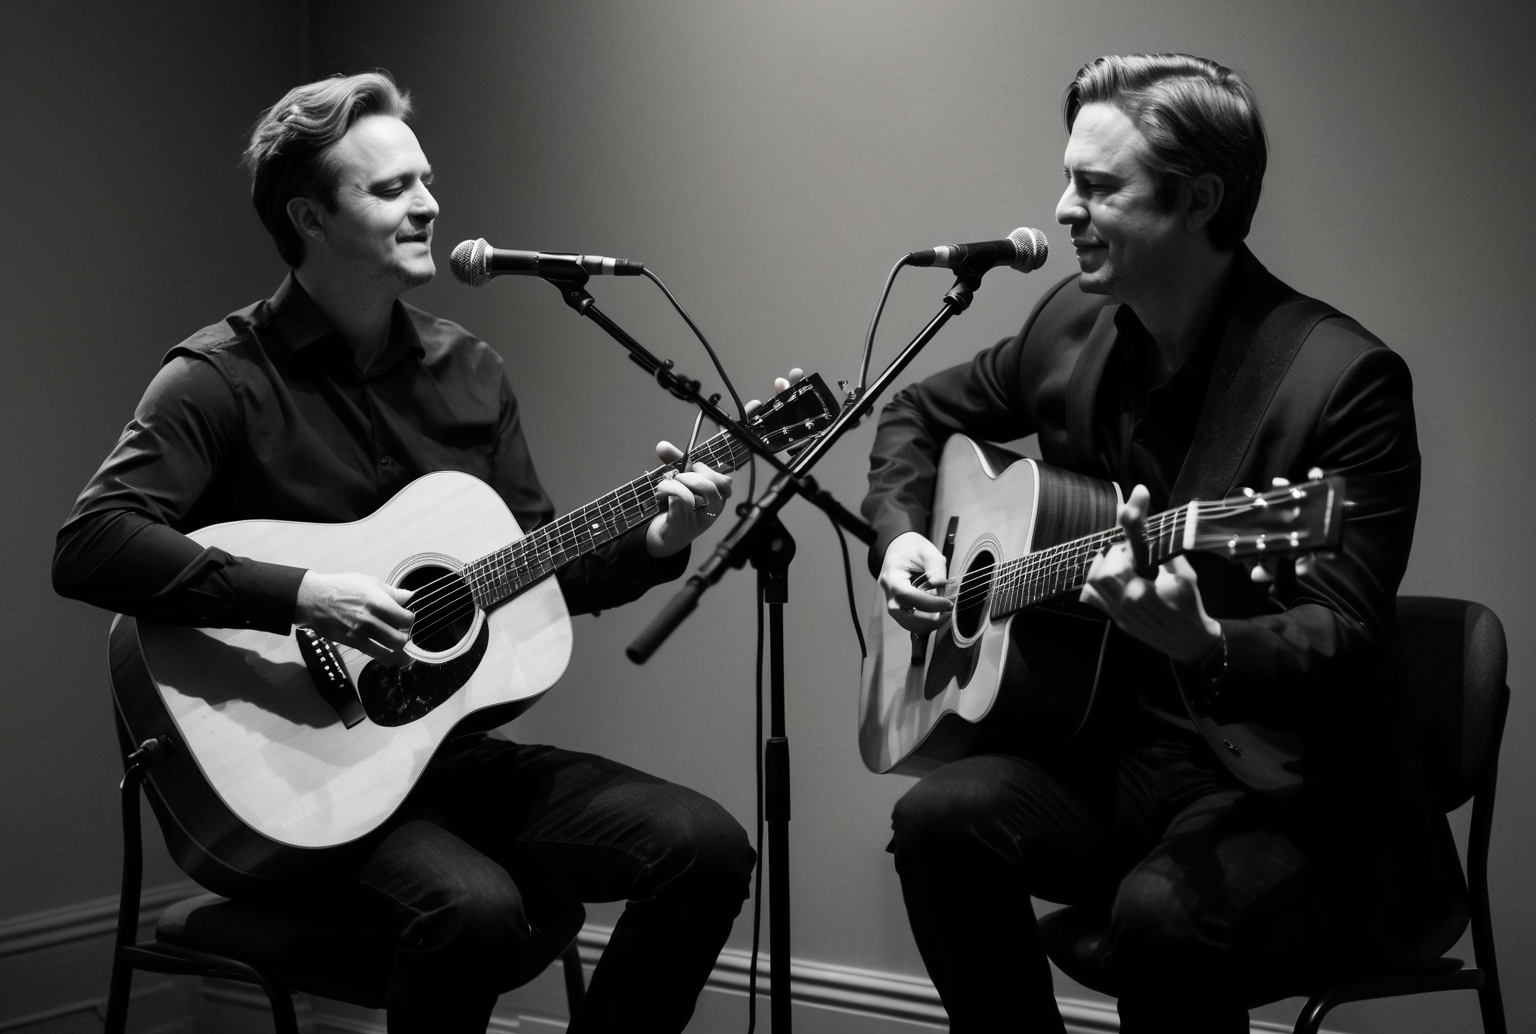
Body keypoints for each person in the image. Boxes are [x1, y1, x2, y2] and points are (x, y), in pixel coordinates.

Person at [55, 71, 767, 1034]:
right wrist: (305, 595)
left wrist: (658, 537)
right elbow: (92, 544)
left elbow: (534, 567)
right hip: (297, 782)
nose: (429, 203)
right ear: (309, 217)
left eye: (425, 180)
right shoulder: (216, 378)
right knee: (474, 911)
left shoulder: (469, 371)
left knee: (706, 845)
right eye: (390, 189)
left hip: (445, 757)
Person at [861, 54, 1468, 1034]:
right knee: (935, 820)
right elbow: (912, 416)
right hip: (1109, 755)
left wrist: (1213, 646)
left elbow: (1345, 627)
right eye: (1067, 179)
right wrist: (899, 542)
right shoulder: (1071, 327)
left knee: (1162, 916)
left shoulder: (1341, 380)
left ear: (1199, 201)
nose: (1061, 209)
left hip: (1288, 792)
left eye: (1097, 186)